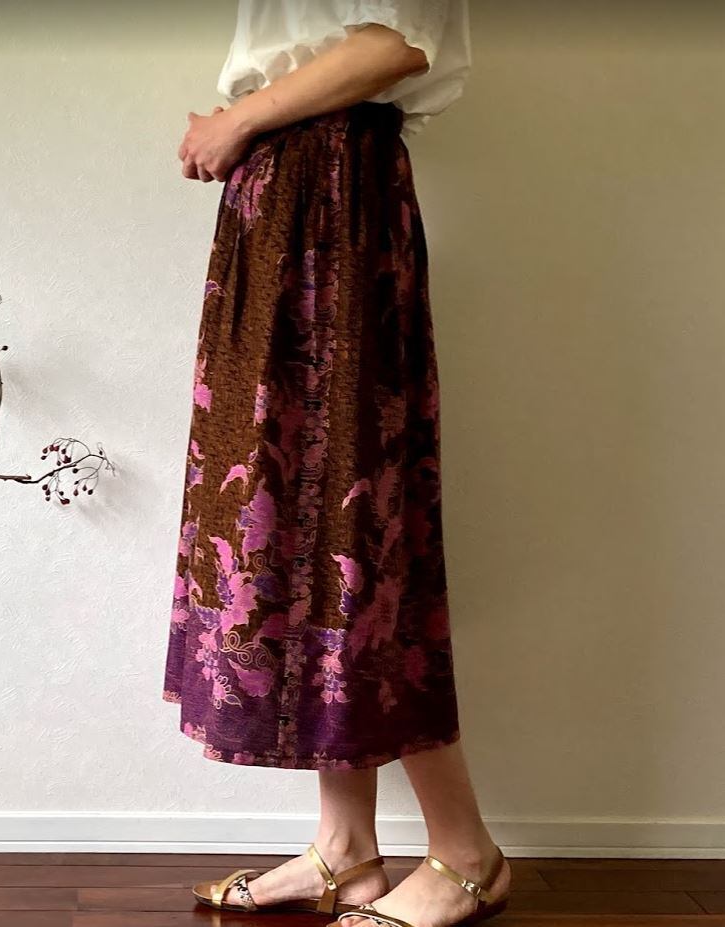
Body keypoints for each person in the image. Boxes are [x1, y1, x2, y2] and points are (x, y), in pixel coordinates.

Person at [164, 2, 509, 926]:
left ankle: (466, 851)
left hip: (331, 190)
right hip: (286, 194)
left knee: (351, 526)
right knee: (291, 524)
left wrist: (237, 120)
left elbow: (395, 41)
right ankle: (344, 846)